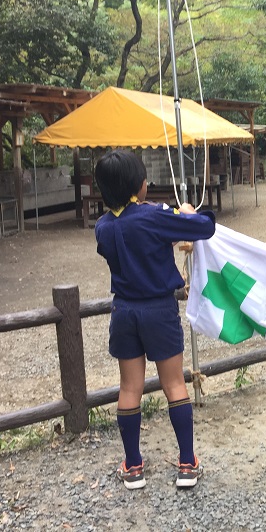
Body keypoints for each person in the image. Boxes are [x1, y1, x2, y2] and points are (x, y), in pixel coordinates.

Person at [94, 150, 217, 489]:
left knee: (129, 388)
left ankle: (133, 466)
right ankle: (187, 463)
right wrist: (187, 213)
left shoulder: (102, 227)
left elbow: (130, 239)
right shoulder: (155, 215)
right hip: (159, 310)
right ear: (140, 186)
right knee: (174, 384)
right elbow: (205, 226)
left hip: (123, 312)